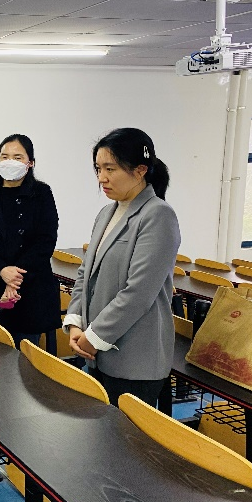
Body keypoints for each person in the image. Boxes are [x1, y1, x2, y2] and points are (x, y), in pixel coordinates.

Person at [64, 128, 180, 407]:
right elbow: (85, 273)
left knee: (125, 435)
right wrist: (76, 323)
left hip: (135, 359)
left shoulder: (157, 214)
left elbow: (138, 293)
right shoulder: (107, 212)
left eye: (110, 169)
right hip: (97, 351)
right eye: (98, 168)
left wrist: (93, 338)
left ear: (140, 170)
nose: (101, 178)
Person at [0, 134, 62, 351]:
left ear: (30, 163)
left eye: (17, 157)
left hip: (29, 289)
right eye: (4, 156)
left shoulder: (42, 194)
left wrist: (14, 279)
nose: (10, 161)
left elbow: (45, 240)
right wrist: (1, 270)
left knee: (25, 358)